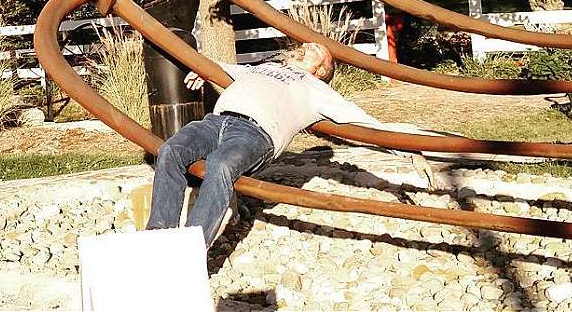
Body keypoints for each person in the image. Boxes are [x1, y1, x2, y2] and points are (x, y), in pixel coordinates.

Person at [146, 42, 435, 247]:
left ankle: (190, 249)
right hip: (215, 122)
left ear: (321, 70)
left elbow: (365, 122)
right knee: (171, 151)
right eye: (305, 45)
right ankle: (157, 238)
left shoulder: (316, 90)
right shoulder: (265, 68)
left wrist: (409, 149)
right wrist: (204, 70)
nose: (303, 47)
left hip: (255, 134)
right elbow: (223, 68)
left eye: (313, 50)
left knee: (220, 165)